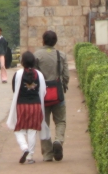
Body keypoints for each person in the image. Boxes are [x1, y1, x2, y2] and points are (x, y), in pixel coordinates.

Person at [7, 51, 50, 164]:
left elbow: (14, 90)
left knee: (18, 129)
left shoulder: (18, 74)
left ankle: (24, 147)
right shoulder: (39, 74)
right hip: (36, 106)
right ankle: (30, 156)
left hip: (22, 105)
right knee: (32, 131)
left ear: (22, 62)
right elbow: (43, 91)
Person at [35, 30, 70, 162]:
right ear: (55, 42)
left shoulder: (37, 55)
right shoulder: (61, 55)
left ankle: (48, 154)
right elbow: (66, 75)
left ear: (43, 41)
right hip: (57, 93)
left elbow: (33, 76)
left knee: (44, 124)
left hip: (42, 95)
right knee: (60, 120)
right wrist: (64, 85)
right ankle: (59, 141)